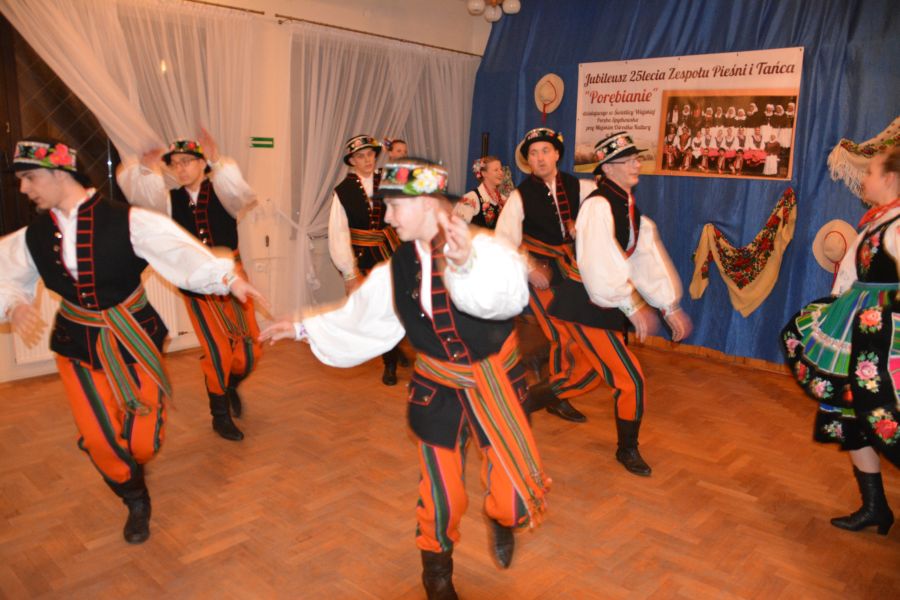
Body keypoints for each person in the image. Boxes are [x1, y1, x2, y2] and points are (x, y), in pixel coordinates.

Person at [260, 158, 549, 600]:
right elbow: (364, 315)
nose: (388, 218)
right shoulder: (399, 264)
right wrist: (302, 327)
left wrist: (465, 264)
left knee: (512, 501)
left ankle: (501, 518)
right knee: (441, 495)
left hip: (496, 382)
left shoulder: (486, 248)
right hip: (439, 388)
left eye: (395, 206)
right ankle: (437, 570)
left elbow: (506, 300)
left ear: (428, 203)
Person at [0, 138, 260, 544]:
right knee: (100, 439)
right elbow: (7, 274)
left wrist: (227, 278)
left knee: (142, 442)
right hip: (76, 343)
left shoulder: (128, 220)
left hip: (134, 336)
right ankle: (134, 496)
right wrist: (13, 303)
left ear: (60, 173)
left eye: (30, 177)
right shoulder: (33, 234)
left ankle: (130, 456)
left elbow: (180, 253)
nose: (23, 188)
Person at [781, 146, 900, 535]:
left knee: (888, 413)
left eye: (870, 173)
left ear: (890, 178)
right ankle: (875, 506)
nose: (864, 179)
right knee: (850, 413)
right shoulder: (877, 221)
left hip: (885, 334)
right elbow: (850, 275)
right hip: (857, 327)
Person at [117, 129, 261, 442]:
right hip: (197, 284)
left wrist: (217, 159)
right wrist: (145, 168)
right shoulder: (169, 202)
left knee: (249, 349)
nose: (181, 168)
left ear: (202, 163)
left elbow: (242, 194)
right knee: (217, 350)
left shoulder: (222, 191)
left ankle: (230, 385)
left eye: (187, 161)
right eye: (175, 163)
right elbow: (143, 204)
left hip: (233, 278)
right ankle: (219, 414)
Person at [570, 131, 693, 476]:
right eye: (627, 160)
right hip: (587, 305)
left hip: (605, 306)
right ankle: (627, 449)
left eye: (636, 158)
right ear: (608, 169)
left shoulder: (630, 208)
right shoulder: (597, 206)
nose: (636, 164)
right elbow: (600, 265)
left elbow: (644, 259)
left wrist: (669, 306)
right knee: (631, 380)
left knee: (578, 377)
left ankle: (525, 402)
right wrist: (631, 304)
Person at [494, 127, 598, 425]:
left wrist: (583, 228)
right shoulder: (520, 196)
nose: (539, 158)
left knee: (575, 331)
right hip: (542, 272)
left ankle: (551, 383)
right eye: (533, 153)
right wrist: (529, 268)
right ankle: (555, 395)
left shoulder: (580, 187)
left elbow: (603, 213)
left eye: (545, 151)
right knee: (560, 332)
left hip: (572, 269)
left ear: (556, 155)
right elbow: (503, 240)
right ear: (527, 160)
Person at [328, 134, 403, 385]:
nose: (367, 160)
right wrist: (349, 272)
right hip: (362, 259)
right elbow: (338, 232)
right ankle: (390, 357)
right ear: (352, 161)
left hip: (390, 252)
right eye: (361, 156)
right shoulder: (343, 191)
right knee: (376, 311)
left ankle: (392, 356)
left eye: (370, 154)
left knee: (395, 306)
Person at [454, 156, 507, 228]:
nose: (501, 173)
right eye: (496, 170)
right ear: (484, 173)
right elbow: (458, 227)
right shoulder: (471, 198)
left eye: (501, 169)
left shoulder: (503, 199)